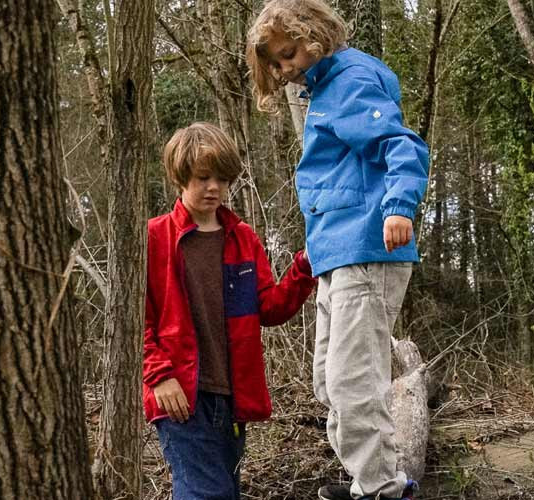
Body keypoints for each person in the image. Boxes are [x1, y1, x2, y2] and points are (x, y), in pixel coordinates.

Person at [245, 1, 431, 498]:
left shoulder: (349, 81)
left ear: (315, 36)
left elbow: (401, 145)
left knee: (353, 381)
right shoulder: (324, 91)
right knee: (329, 380)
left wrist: (398, 207)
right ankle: (366, 480)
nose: (284, 70)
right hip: (337, 254)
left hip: (365, 249)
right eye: (276, 64)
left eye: (288, 55)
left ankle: (382, 489)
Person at [143, 122, 318, 500]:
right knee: (207, 493)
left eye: (222, 179)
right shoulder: (155, 237)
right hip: (180, 396)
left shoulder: (243, 238)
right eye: (203, 178)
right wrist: (159, 376)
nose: (214, 188)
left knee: (223, 491)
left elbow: (269, 308)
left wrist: (305, 267)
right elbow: (137, 321)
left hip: (232, 399)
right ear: (180, 177)